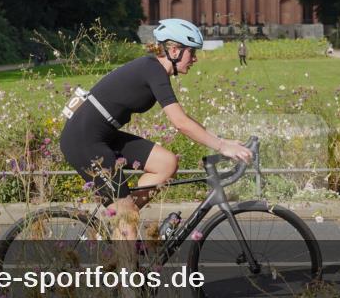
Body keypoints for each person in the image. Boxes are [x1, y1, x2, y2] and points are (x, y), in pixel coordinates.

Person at [59, 18, 253, 249]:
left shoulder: (154, 70)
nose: (195, 59)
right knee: (127, 217)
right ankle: (125, 261)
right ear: (174, 51)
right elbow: (180, 123)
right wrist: (222, 146)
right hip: (83, 141)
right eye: (192, 52)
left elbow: (183, 118)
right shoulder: (152, 69)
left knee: (166, 163)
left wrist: (222, 140)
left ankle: (122, 221)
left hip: (103, 135)